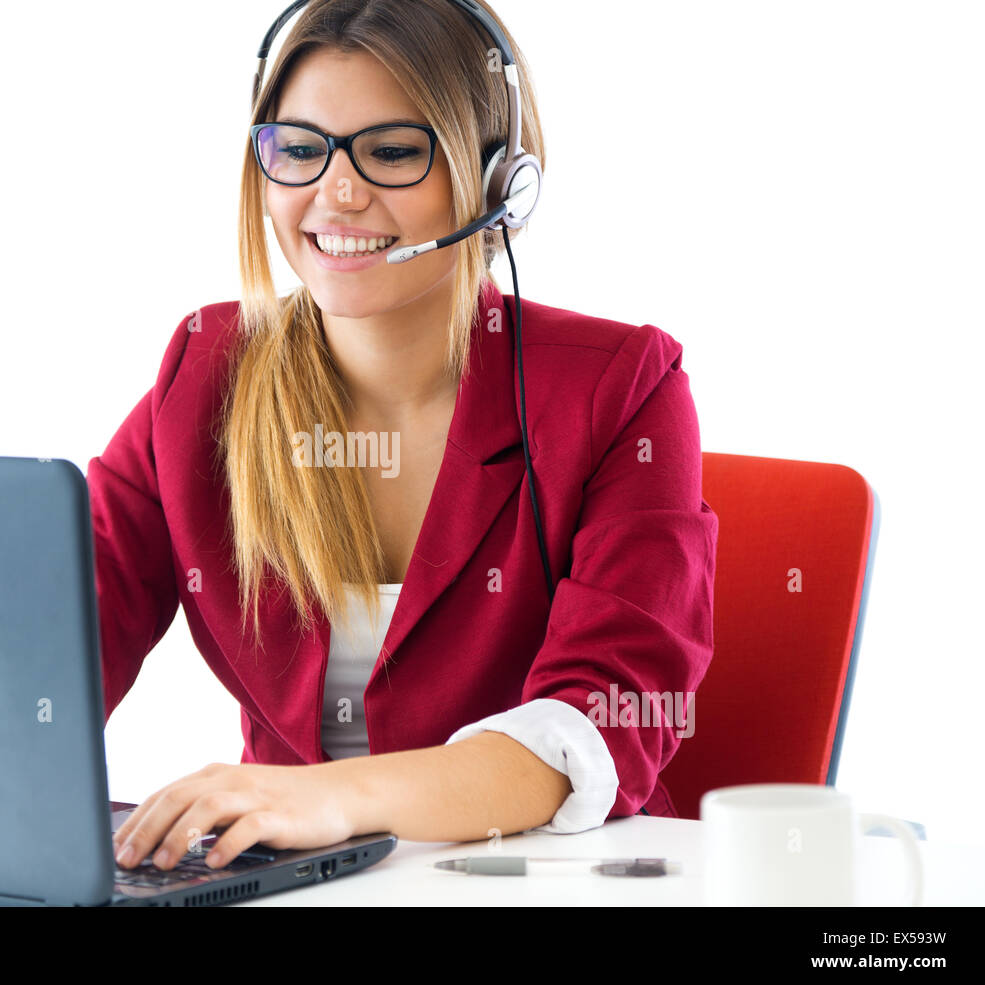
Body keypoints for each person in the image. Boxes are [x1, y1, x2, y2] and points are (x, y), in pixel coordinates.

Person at [94, 0, 718, 874]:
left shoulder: (620, 387)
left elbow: (598, 723)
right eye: (301, 149)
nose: (336, 193)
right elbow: (61, 631)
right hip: (289, 890)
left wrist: (333, 797)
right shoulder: (204, 375)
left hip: (546, 884)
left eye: (391, 152)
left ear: (498, 179)